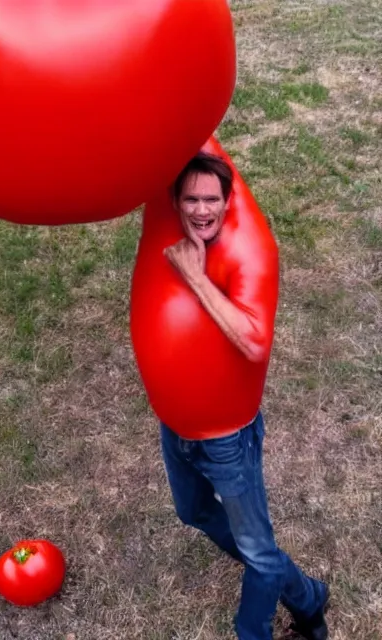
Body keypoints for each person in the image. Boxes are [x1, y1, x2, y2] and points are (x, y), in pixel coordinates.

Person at [161, 152, 330, 640]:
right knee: (192, 512)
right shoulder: (172, 230)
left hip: (227, 437)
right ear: (175, 201)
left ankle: (256, 629)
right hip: (175, 422)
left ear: (228, 201)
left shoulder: (251, 250)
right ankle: (306, 594)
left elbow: (255, 342)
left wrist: (195, 277)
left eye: (210, 199)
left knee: (258, 551)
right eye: (190, 199)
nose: (200, 210)